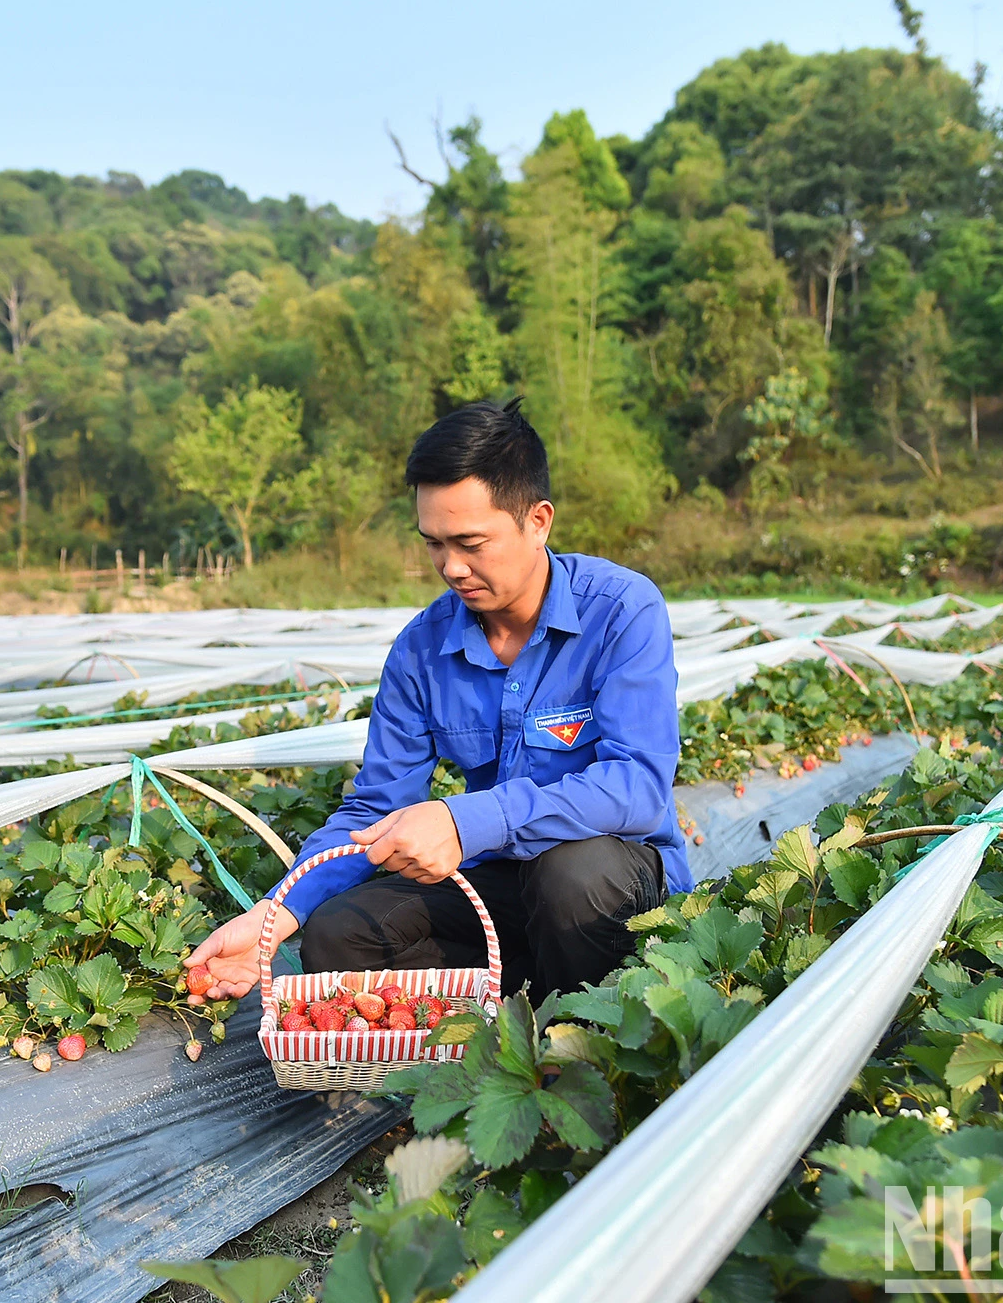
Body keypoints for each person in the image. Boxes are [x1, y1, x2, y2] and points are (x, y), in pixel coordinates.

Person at [183, 398, 685, 1003]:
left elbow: (636, 787)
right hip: (502, 883)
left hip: (609, 883)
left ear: (538, 521)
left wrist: (463, 820)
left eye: (471, 542)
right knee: (341, 935)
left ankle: (591, 1053)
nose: (451, 567)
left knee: (570, 877)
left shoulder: (621, 610)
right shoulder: (422, 649)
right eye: (434, 544)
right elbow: (374, 810)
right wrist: (273, 917)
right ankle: (492, 1028)